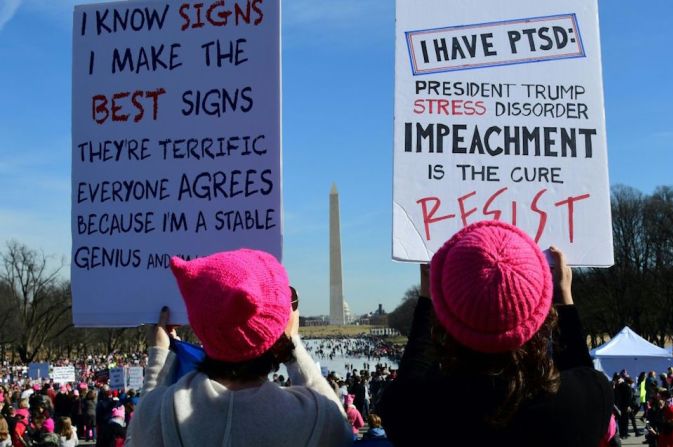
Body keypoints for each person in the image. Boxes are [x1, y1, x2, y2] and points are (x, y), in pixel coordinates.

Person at [379, 221, 614, 446]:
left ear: (444, 318)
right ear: (542, 314)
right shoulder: (587, 403)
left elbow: (412, 376)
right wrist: (564, 300)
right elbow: (581, 374)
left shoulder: (411, 410)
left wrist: (427, 299)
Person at [127, 249, 352, 446]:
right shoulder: (315, 417)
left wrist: (160, 356)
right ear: (278, 330)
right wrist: (291, 344)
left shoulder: (158, 414)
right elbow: (342, 430)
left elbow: (140, 433)